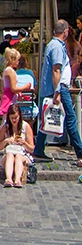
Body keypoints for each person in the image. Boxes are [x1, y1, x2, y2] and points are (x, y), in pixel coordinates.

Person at [32, 19, 82, 165]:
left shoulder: (53, 45)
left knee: (46, 119)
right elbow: (56, 70)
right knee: (71, 119)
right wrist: (57, 92)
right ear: (65, 32)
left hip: (54, 89)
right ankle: (80, 152)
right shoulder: (57, 47)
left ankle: (39, 150)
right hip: (59, 89)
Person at [0, 103, 35, 188]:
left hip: (22, 154)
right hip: (9, 153)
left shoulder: (26, 126)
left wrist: (24, 143)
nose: (14, 120)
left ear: (20, 116)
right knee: (10, 155)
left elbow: (31, 149)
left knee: (18, 157)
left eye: (16, 117)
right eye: (12, 118)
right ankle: (9, 179)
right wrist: (6, 141)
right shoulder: (5, 127)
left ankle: (17, 180)